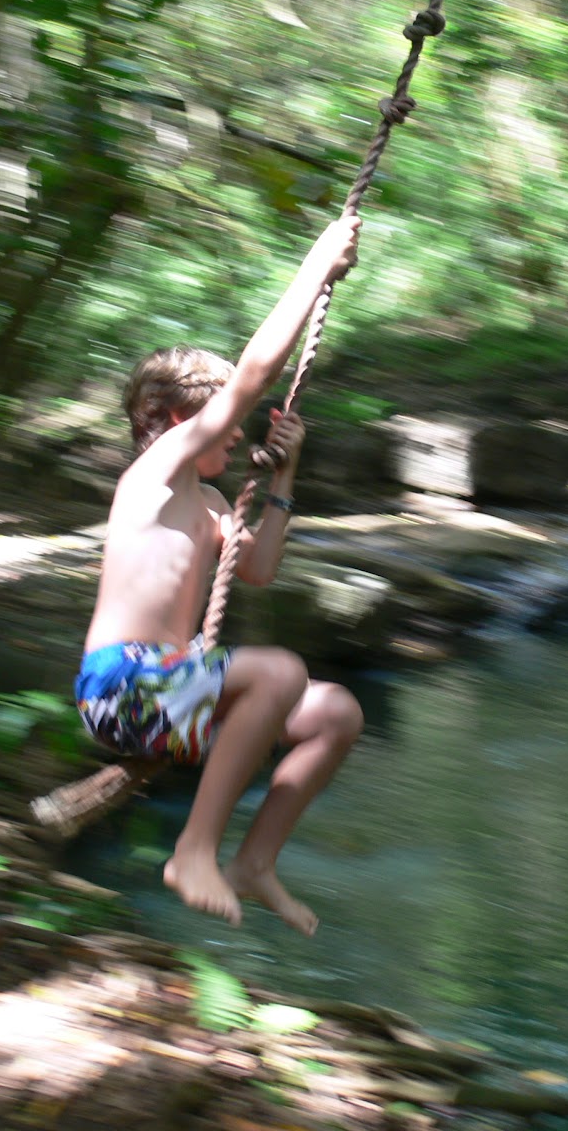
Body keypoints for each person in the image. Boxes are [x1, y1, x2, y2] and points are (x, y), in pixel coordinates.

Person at [74, 216, 365, 936]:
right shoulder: (153, 474)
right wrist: (316, 267)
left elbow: (258, 568)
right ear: (168, 419)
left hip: (172, 693)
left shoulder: (203, 502)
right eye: (220, 420)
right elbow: (259, 372)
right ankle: (194, 850)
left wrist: (285, 477)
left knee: (334, 712)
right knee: (277, 671)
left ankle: (253, 861)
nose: (234, 436)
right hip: (123, 690)